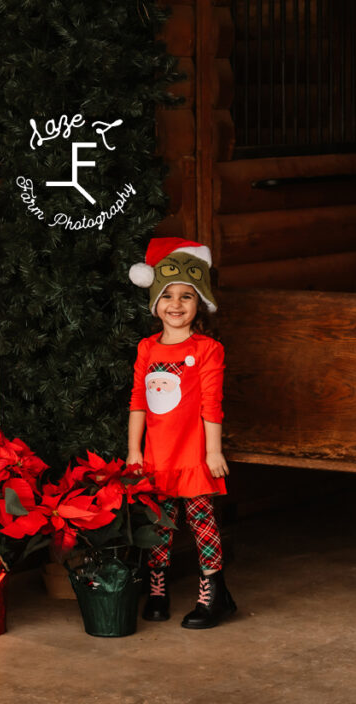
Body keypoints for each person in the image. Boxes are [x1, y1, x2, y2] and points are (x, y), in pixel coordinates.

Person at [127, 236, 236, 630]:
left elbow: (211, 404)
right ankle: (158, 589)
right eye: (168, 295)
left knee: (201, 521)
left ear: (200, 303)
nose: (176, 304)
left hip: (192, 454)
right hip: (157, 454)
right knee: (159, 524)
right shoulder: (146, 348)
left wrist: (212, 452)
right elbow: (138, 400)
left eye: (186, 296)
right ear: (155, 303)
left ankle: (212, 593)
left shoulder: (207, 349)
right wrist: (133, 452)